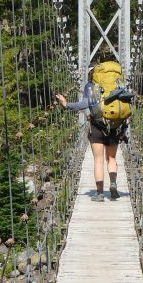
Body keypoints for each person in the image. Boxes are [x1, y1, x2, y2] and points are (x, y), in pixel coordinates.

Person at [56, 67, 127, 202]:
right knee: (111, 158)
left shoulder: (90, 85)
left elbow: (84, 103)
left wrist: (66, 104)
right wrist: (124, 127)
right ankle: (113, 184)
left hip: (97, 126)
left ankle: (99, 194)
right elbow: (124, 106)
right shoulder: (117, 83)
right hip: (114, 126)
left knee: (98, 161)